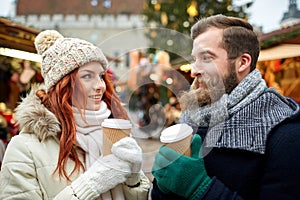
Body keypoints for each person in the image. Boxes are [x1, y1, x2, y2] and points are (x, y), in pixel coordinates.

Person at [151, 14, 300, 200]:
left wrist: (200, 189)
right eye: (194, 59)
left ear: (242, 63)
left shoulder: (286, 134)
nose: (194, 70)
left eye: (206, 58)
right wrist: (163, 186)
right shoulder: (192, 118)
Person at [0, 30, 150, 199]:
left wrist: (134, 181)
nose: (100, 85)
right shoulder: (24, 148)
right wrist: (92, 183)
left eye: (100, 76)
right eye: (87, 76)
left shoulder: (112, 133)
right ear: (62, 87)